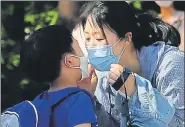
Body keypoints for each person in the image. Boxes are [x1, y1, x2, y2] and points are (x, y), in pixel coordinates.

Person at [76, 1, 184, 127]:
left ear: (127, 38)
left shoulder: (172, 64)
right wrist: (89, 98)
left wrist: (137, 91)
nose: (91, 46)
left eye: (99, 38)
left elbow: (179, 123)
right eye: (87, 39)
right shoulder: (103, 75)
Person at [17, 25, 98, 127]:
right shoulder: (78, 99)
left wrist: (88, 92)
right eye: (80, 49)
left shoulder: (40, 101)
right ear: (70, 61)